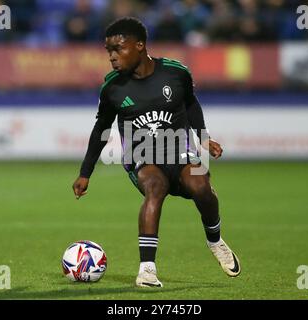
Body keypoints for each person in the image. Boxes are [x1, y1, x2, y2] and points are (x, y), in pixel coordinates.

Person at [72, 17, 240, 288]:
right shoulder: (113, 88)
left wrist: (203, 137)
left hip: (179, 149)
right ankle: (147, 270)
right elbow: (100, 129)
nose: (112, 57)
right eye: (109, 51)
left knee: (200, 186)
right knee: (156, 186)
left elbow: (191, 104)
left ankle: (215, 241)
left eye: (119, 49)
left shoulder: (175, 73)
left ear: (140, 46)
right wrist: (85, 173)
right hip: (142, 156)